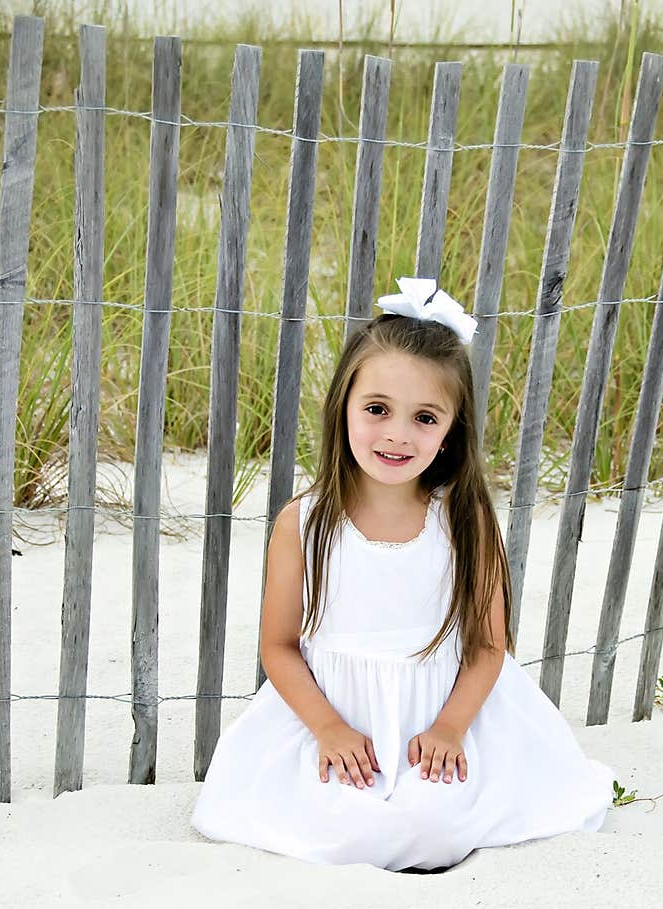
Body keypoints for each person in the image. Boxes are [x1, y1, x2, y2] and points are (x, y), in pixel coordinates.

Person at [191, 276, 616, 872]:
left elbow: (489, 645)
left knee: (435, 826)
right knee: (346, 831)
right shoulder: (304, 523)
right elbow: (279, 645)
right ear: (343, 407)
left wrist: (449, 728)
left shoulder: (463, 520)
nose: (396, 434)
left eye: (424, 417)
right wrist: (330, 730)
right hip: (337, 718)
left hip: (442, 716)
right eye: (376, 410)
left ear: (451, 431)